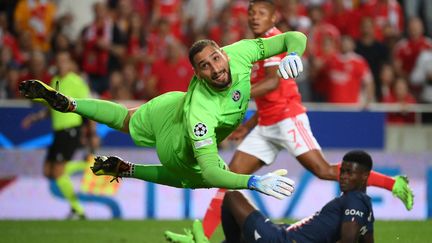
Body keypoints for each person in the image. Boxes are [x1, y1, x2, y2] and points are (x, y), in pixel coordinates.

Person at [171, 0, 410, 240]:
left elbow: (274, 82)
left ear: (273, 18)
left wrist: (235, 97)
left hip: (287, 118)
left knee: (323, 170)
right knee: (231, 178)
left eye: (261, 14)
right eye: (252, 13)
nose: (255, 18)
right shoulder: (251, 47)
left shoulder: (274, 39)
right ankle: (200, 237)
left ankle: (394, 184)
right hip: (266, 123)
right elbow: (267, 96)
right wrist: (247, 125)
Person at [19, 29, 307, 200]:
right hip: (178, 141)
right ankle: (127, 168)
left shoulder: (241, 52)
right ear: (196, 74)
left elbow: (294, 37)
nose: (215, 68)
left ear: (224, 53)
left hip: (170, 104)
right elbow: (210, 170)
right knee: (203, 179)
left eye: (216, 58)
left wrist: (293, 54)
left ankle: (71, 104)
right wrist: (252, 182)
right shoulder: (202, 115)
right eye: (205, 66)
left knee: (124, 118)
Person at [166, 150, 375, 243]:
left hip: (281, 239)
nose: (344, 177)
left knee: (232, 197)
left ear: (365, 176)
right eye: (343, 171)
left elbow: (347, 241)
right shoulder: (366, 208)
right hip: (284, 232)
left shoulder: (354, 200)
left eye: (350, 172)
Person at [21, 51, 99, 219]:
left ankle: (78, 209)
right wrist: (34, 118)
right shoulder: (54, 81)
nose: (62, 64)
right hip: (58, 131)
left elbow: (90, 107)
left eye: (65, 61)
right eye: (59, 61)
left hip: (71, 129)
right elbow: (51, 107)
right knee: (48, 171)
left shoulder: (77, 82)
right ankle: (88, 165)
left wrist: (92, 133)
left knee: (57, 172)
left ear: (70, 63)